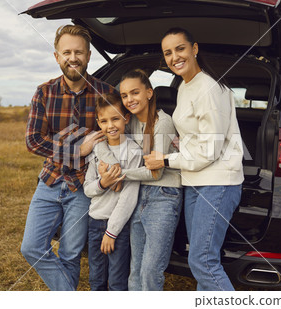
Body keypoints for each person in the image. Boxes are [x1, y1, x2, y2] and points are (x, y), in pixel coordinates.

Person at [144, 28, 244, 291]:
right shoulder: (185, 87)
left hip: (217, 182)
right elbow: (196, 135)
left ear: (194, 49)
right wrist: (177, 144)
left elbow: (209, 150)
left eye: (180, 49)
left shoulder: (208, 89)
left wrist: (165, 159)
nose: (174, 57)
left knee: (203, 262)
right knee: (201, 260)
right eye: (168, 53)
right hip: (195, 180)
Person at [20, 24, 117, 291]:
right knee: (31, 248)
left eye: (78, 52)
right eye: (66, 53)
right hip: (50, 181)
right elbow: (34, 141)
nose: (72, 58)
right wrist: (77, 150)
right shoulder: (44, 92)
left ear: (88, 56)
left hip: (84, 187)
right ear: (57, 56)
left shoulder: (106, 93)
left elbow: (118, 135)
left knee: (71, 255)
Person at [95, 69, 182, 290]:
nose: (129, 100)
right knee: (135, 269)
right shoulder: (129, 122)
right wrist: (110, 164)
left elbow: (156, 173)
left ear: (149, 93)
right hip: (138, 194)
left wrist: (118, 174)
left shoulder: (163, 122)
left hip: (163, 195)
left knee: (151, 270)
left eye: (135, 93)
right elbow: (104, 142)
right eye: (125, 96)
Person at [83, 93, 142, 291]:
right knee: (96, 279)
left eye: (115, 118)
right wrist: (103, 183)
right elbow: (88, 189)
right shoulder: (97, 151)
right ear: (98, 123)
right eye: (105, 121)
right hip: (94, 222)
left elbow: (128, 198)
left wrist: (112, 232)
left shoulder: (133, 152)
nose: (111, 125)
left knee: (117, 281)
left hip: (118, 227)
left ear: (126, 118)